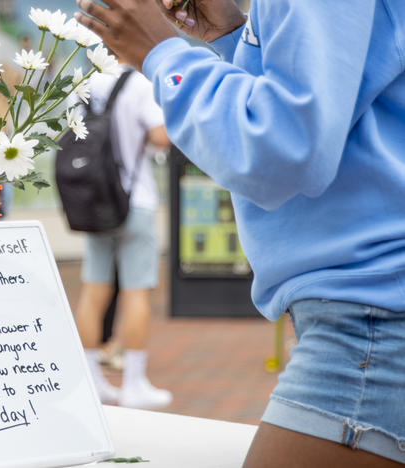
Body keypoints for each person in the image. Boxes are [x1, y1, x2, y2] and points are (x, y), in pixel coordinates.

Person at [74, 0, 405, 466]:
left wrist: (163, 53)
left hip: (370, 321)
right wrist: (233, 38)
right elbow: (341, 107)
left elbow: (284, 147)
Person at [73, 64, 172, 409]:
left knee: (94, 289)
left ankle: (91, 380)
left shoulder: (85, 80)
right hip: (134, 198)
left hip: (96, 200)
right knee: (136, 292)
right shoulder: (139, 83)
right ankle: (134, 383)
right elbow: (161, 137)